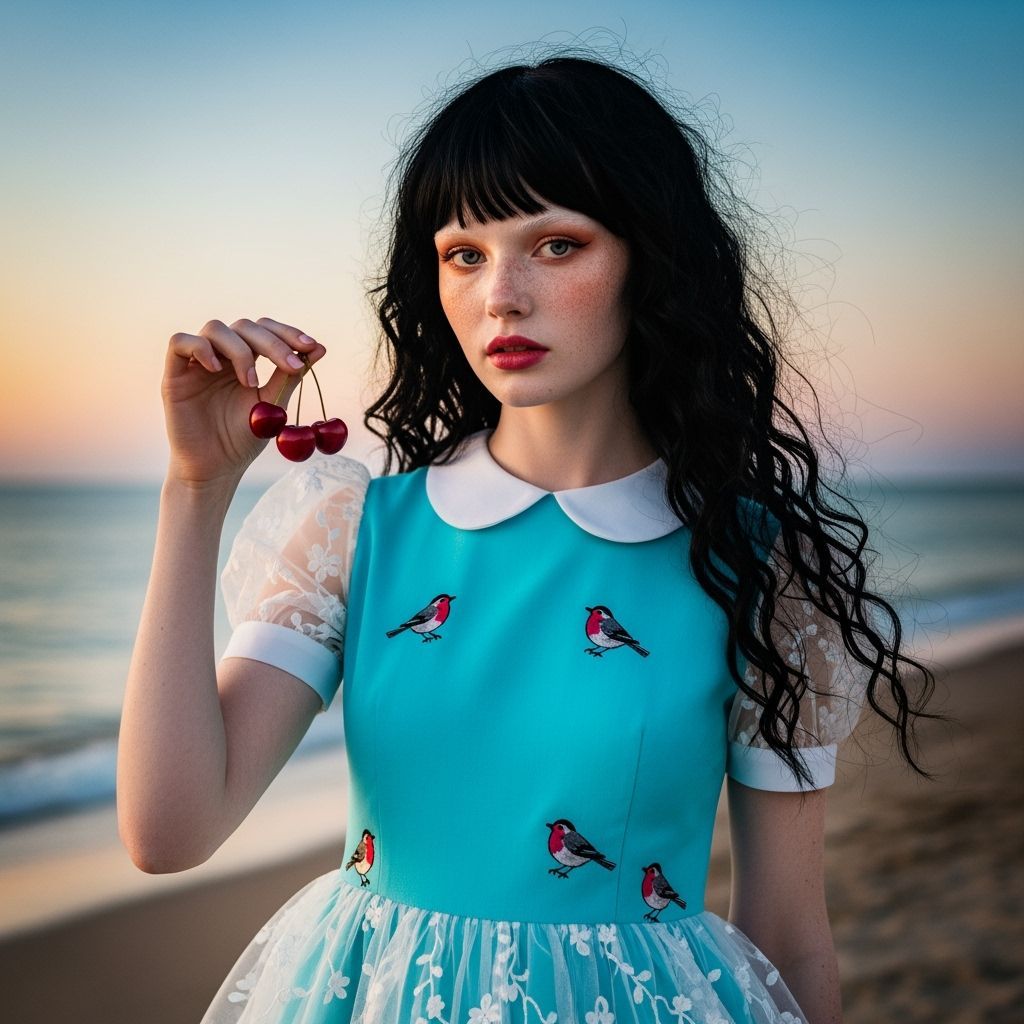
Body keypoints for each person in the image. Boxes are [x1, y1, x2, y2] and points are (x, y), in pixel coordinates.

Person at [117, 53, 938, 1023]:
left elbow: (789, 938)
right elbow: (168, 831)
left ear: (650, 256)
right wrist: (195, 489)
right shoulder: (352, 531)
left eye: (555, 245)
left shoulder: (756, 566)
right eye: (464, 253)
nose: (500, 294)